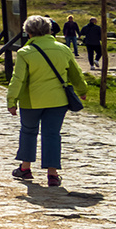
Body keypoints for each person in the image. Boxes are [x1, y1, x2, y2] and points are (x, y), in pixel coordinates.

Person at [8, 15, 88, 189]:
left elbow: (18, 79)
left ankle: (25, 168)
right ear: (49, 30)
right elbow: (75, 73)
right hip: (58, 100)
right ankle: (52, 174)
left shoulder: (25, 53)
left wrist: (11, 100)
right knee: (52, 134)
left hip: (31, 101)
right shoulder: (63, 49)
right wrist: (82, 91)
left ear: (28, 32)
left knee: (28, 132)